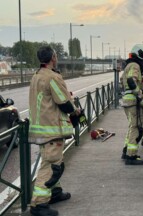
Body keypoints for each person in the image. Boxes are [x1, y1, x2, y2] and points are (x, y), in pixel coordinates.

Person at [29, 45, 81, 216]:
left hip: (42, 128)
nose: (57, 58)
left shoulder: (36, 76)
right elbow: (63, 102)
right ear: (53, 58)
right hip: (52, 129)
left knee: (55, 162)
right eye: (56, 55)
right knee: (51, 167)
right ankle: (39, 205)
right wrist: (75, 110)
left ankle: (55, 193)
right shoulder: (52, 77)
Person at [120, 44, 143, 165]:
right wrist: (140, 95)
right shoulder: (135, 65)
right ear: (140, 55)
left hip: (128, 98)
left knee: (132, 126)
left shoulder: (128, 65)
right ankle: (131, 156)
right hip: (133, 100)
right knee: (136, 127)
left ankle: (126, 150)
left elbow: (123, 80)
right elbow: (131, 80)